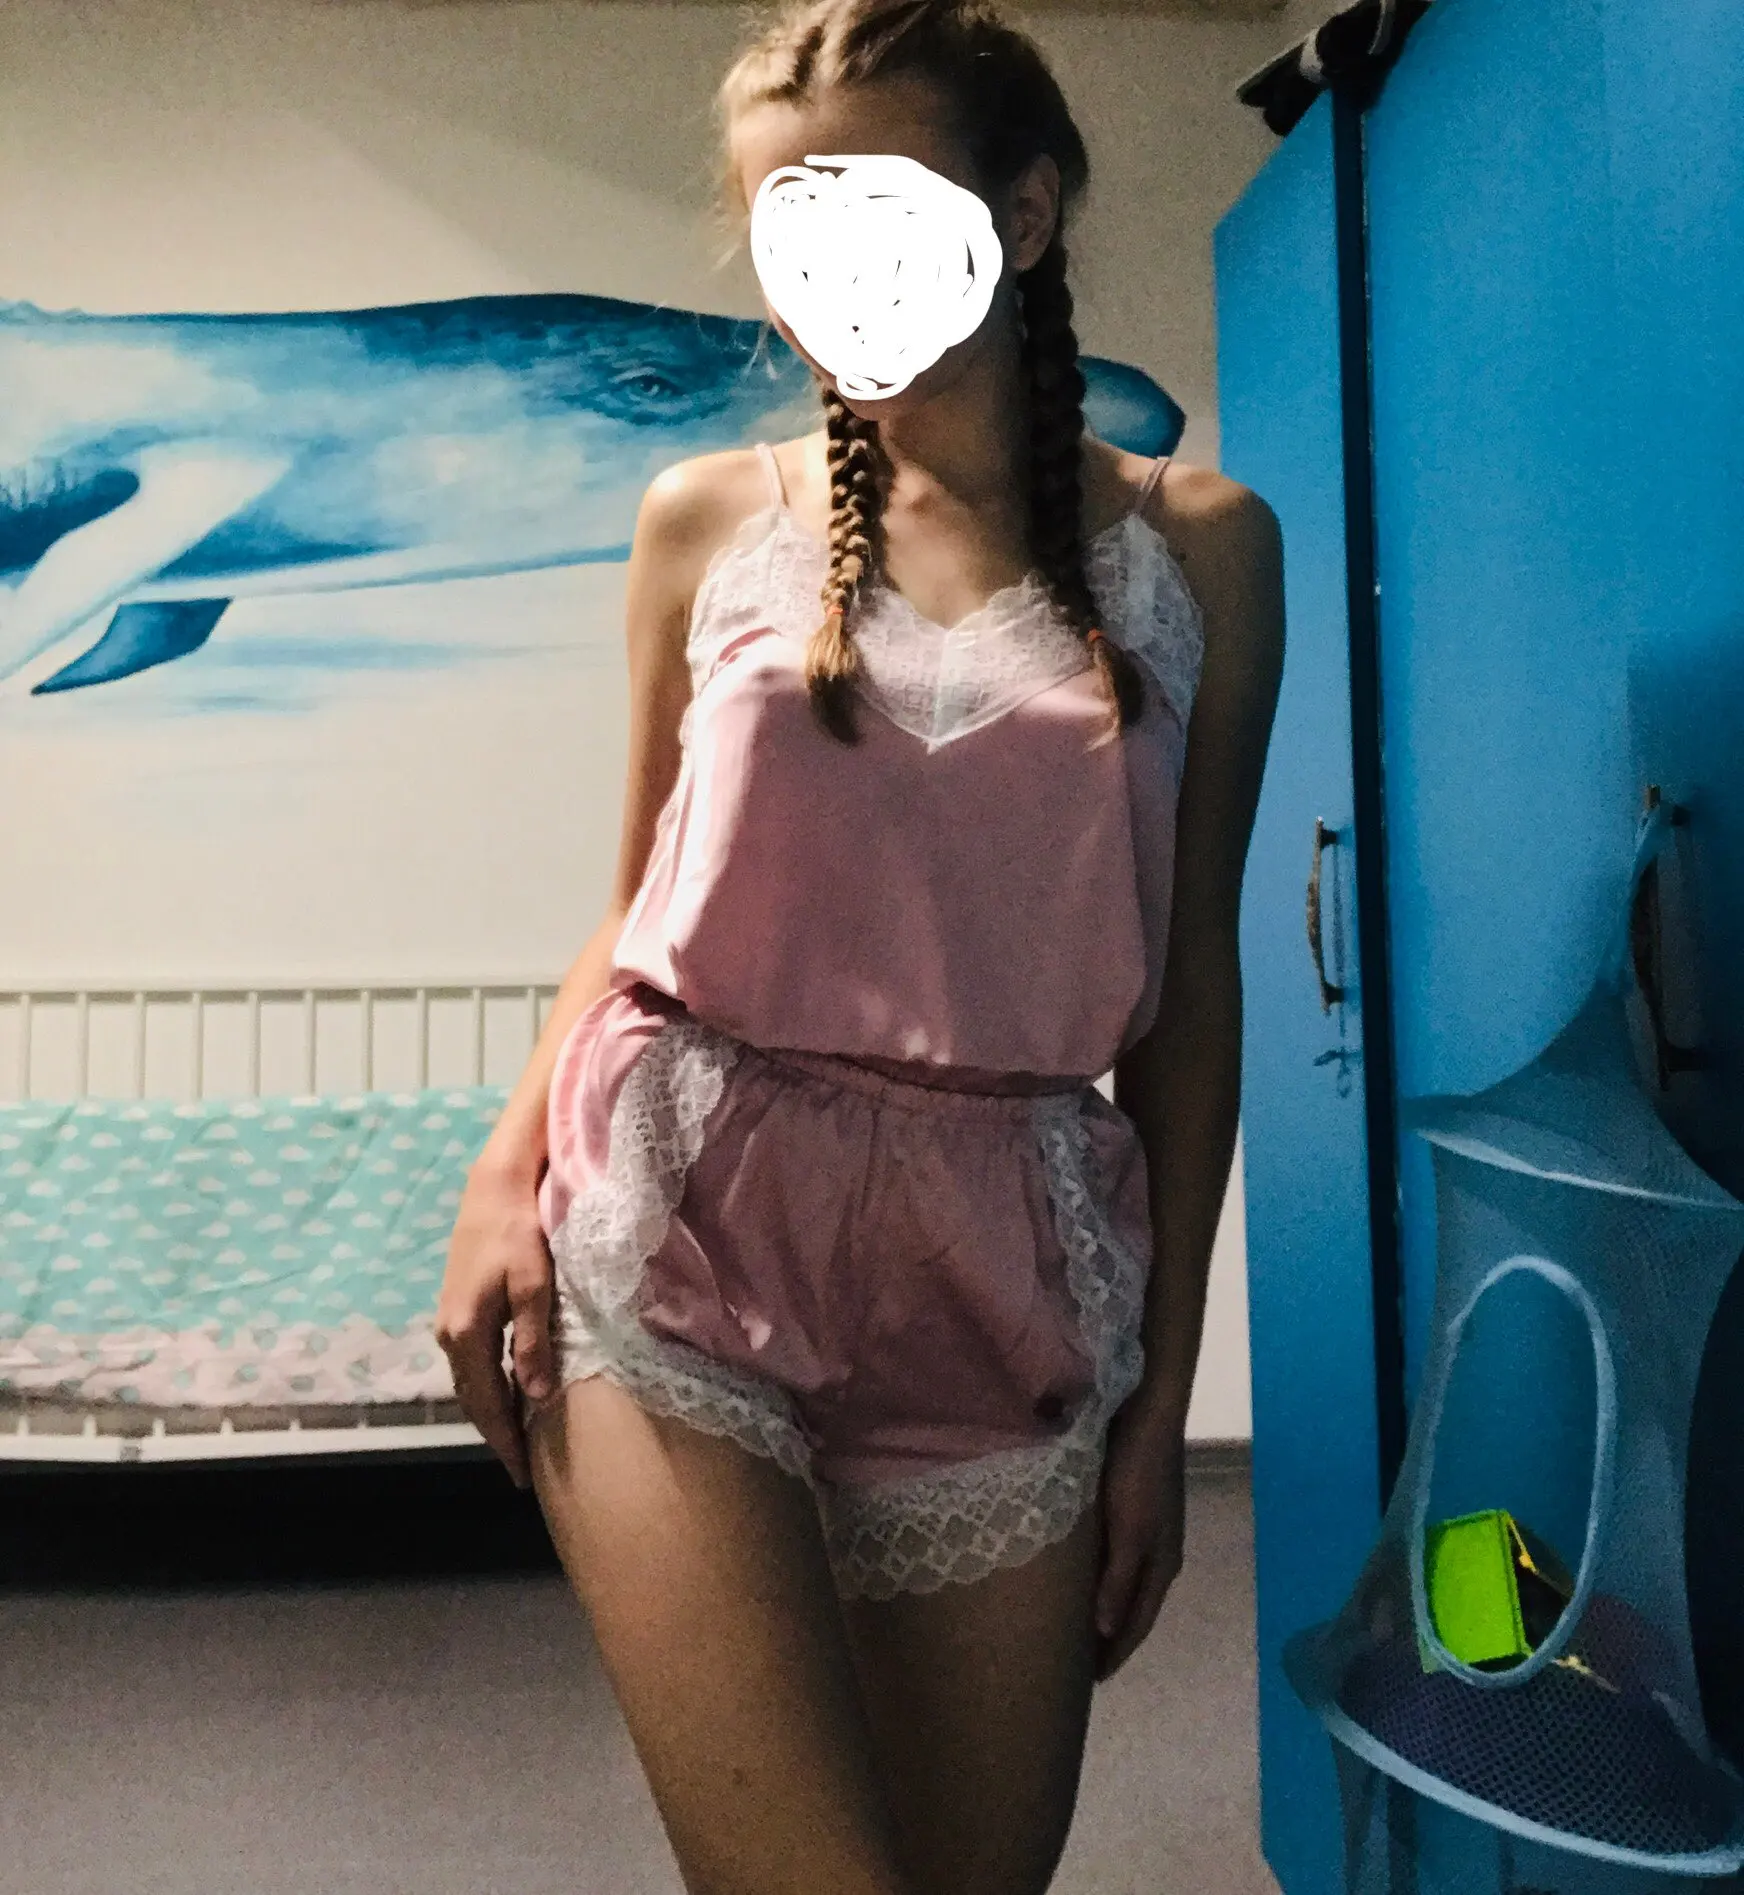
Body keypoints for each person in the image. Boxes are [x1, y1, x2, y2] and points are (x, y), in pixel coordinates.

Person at [435, 0, 1284, 1889]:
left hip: (1010, 1255)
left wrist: (1161, 1400)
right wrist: (502, 1173)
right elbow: (635, 904)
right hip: (687, 1208)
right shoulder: (706, 523)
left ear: (1024, 215)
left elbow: (1192, 996)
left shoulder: (1206, 550)